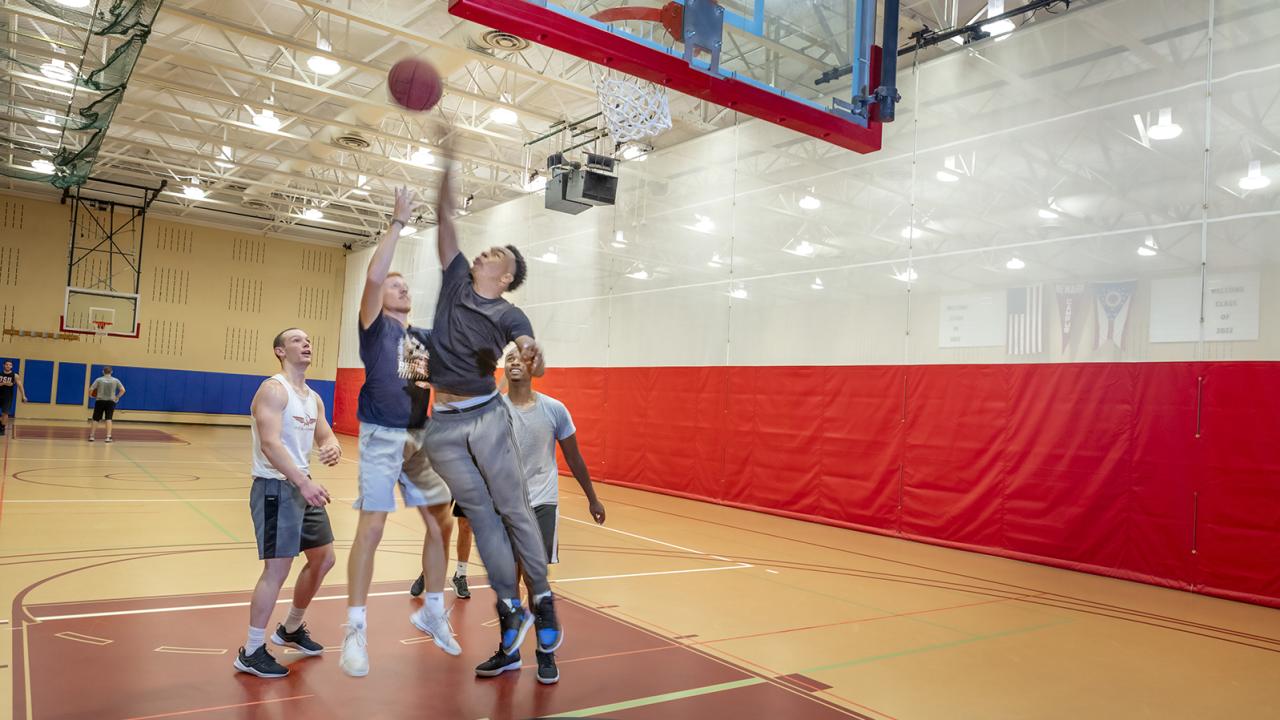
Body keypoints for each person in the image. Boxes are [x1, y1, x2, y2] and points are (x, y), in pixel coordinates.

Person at [421, 159, 561, 681]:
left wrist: (532, 349)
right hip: (446, 417)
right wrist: (447, 170)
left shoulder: (507, 314)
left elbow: (527, 344)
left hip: (481, 412)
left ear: (503, 278)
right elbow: (445, 223)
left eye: (495, 256)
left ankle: (541, 603)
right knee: (482, 520)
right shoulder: (457, 278)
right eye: (485, 250)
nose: (483, 253)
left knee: (513, 511)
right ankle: (513, 618)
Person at [412, 345, 607, 684]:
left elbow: (574, 457)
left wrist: (592, 498)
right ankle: (509, 651)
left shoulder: (554, 410)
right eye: (510, 359)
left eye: (523, 359)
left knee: (535, 580)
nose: (515, 362)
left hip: (541, 504)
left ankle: (546, 654)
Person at [340, 187, 457, 678]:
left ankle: (432, 609)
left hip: (418, 435)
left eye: (405, 285)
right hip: (382, 435)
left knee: (441, 523)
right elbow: (371, 276)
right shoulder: (375, 328)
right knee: (373, 526)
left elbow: (432, 384)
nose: (401, 287)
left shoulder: (419, 339)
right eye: (395, 285)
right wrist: (397, 224)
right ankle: (355, 628)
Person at [234, 328, 341, 678]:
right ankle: (250, 652)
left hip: (302, 486)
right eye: (297, 340)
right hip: (277, 487)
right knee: (276, 570)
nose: (306, 343)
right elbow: (270, 444)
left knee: (324, 558)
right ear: (280, 351)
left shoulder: (312, 397)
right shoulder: (273, 389)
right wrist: (303, 482)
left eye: (309, 339)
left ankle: (291, 628)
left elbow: (324, 432)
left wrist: (332, 445)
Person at [88, 366, 125, 442]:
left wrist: (91, 395)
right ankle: (108, 437)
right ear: (111, 372)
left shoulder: (99, 379)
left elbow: (91, 389)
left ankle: (92, 436)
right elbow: (123, 390)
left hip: (100, 401)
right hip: (111, 402)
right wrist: (117, 397)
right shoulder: (116, 380)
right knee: (109, 418)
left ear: (103, 372)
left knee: (96, 419)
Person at [0, 360, 26, 438]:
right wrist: (4, 383)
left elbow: (20, 386)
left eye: (10, 365)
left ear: (12, 366)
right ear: (4, 365)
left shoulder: (15, 375)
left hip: (7, 397)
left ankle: (2, 428)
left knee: (5, 413)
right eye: (7, 365)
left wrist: (23, 395)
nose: (8, 366)